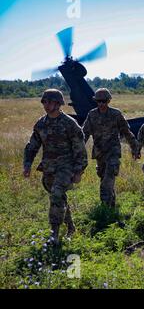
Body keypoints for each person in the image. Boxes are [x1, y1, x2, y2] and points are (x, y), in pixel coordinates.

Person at [23, 89, 88, 244]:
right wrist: (27, 165)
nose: (46, 105)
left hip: (66, 168)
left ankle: (54, 234)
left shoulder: (70, 124)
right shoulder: (41, 124)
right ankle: (71, 227)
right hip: (48, 168)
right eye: (44, 101)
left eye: (49, 102)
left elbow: (80, 149)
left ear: (58, 104)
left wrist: (79, 171)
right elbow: (32, 146)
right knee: (58, 198)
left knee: (57, 195)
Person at [82, 88, 140, 208]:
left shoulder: (116, 114)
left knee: (107, 182)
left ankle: (104, 209)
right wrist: (77, 150)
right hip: (99, 153)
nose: (101, 104)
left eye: (104, 101)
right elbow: (84, 134)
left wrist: (135, 148)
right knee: (104, 179)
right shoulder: (92, 114)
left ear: (108, 101)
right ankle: (111, 207)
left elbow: (126, 132)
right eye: (99, 101)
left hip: (113, 152)